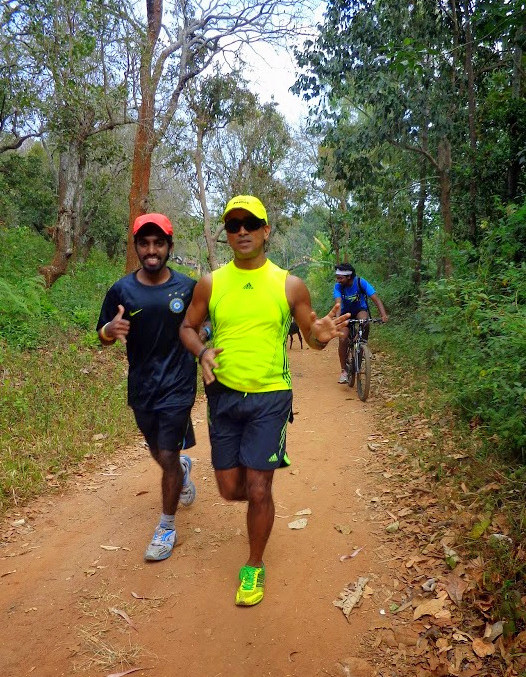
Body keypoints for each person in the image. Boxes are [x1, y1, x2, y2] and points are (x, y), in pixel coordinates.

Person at [179, 195, 349, 607]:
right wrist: (201, 352)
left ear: (265, 231)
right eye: (233, 225)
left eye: (250, 224)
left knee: (257, 487)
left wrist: (321, 335)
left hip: (271, 396)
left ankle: (254, 564)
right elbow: (187, 326)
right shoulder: (211, 283)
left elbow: (311, 334)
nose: (241, 231)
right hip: (223, 396)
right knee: (229, 488)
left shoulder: (288, 284)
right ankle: (262, 495)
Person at [96, 213, 201, 562]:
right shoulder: (121, 290)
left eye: (159, 243)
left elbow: (203, 326)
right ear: (137, 247)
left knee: (167, 454)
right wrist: (109, 331)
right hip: (142, 386)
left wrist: (206, 342)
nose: (151, 250)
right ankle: (182, 471)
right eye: (145, 243)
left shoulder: (188, 287)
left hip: (179, 384)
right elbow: (103, 336)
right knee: (158, 450)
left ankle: (166, 527)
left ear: (170, 247)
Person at [334, 262, 388, 383]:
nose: (338, 280)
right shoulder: (338, 287)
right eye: (337, 278)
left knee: (365, 322)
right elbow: (338, 304)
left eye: (340, 278)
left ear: (349, 277)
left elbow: (376, 299)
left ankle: (362, 344)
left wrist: (383, 315)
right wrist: (338, 320)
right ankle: (343, 371)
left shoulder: (360, 282)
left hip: (359, 310)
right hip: (344, 313)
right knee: (343, 338)